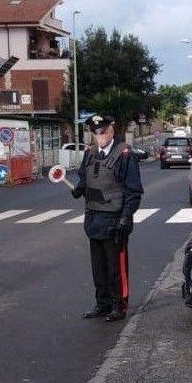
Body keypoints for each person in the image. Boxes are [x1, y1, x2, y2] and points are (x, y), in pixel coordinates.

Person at [71, 114, 143, 322]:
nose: (100, 135)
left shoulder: (125, 155)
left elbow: (133, 191)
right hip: (93, 218)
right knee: (98, 266)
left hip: (114, 219)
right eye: (96, 132)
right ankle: (102, 303)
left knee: (115, 267)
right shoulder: (90, 153)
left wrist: (126, 218)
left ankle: (118, 305)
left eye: (103, 131)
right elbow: (85, 178)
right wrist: (79, 188)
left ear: (111, 131)